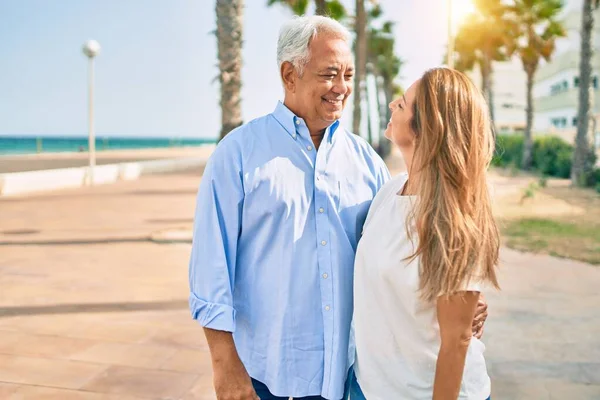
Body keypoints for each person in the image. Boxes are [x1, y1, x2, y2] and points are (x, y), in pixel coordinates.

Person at [189, 16, 488, 400]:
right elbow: (210, 269)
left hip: (348, 378)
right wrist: (224, 366)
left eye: (348, 75)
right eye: (330, 74)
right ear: (289, 74)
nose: (342, 88)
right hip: (263, 375)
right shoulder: (237, 154)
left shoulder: (368, 163)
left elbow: (414, 247)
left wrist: (465, 299)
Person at [351, 68, 500, 400]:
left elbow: (456, 341)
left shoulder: (452, 220)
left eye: (402, 105)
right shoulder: (388, 193)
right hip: (370, 387)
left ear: (425, 131)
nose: (392, 104)